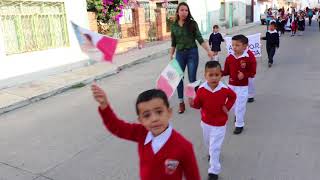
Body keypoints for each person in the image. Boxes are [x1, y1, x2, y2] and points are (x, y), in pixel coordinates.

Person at [91, 85, 201, 180]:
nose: (154, 119)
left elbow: (193, 177)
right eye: (147, 115)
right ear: (141, 120)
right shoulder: (141, 133)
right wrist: (104, 106)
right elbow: (117, 127)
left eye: (159, 112)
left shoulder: (184, 147)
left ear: (169, 112)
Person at [189, 61, 236, 180]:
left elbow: (233, 96)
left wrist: (228, 106)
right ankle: (212, 154)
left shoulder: (224, 88)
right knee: (208, 143)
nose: (214, 78)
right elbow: (198, 105)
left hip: (220, 123)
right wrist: (192, 103)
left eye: (217, 74)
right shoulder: (201, 90)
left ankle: (213, 171)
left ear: (221, 75)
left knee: (215, 147)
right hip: (206, 123)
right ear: (205, 75)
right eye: (211, 75)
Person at [169, 2, 214, 114]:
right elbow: (173, 42)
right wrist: (171, 54)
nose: (184, 12)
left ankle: (196, 99)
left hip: (192, 53)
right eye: (182, 10)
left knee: (192, 79)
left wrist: (208, 50)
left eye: (186, 10)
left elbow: (199, 38)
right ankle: (181, 103)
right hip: (180, 54)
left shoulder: (192, 24)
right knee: (179, 78)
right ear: (178, 12)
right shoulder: (174, 26)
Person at [222, 35, 256, 134]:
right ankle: (237, 115)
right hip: (231, 86)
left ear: (245, 46)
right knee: (233, 105)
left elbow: (253, 72)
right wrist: (218, 73)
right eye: (233, 45)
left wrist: (244, 75)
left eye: (237, 45)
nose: (234, 47)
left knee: (240, 106)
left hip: (243, 87)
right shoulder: (229, 57)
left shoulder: (249, 57)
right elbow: (226, 71)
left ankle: (239, 124)